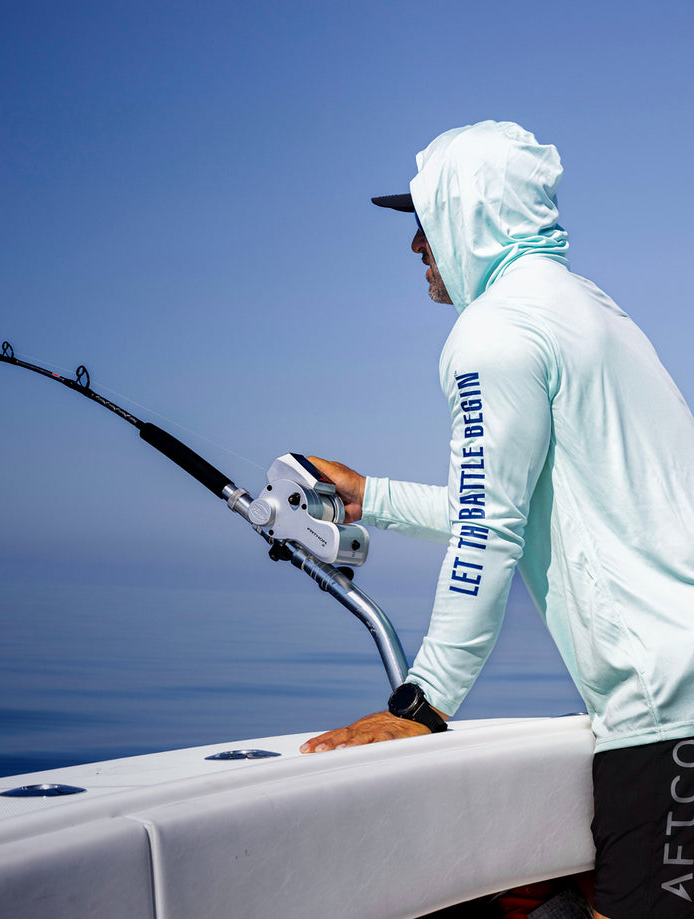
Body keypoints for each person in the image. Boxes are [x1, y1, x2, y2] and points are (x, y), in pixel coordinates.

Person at [297, 121, 694, 919]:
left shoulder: (492, 333)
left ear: (469, 213)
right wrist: (370, 495)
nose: (415, 245)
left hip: (667, 714)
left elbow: (488, 531)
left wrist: (422, 702)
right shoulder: (592, 313)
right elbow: (513, 501)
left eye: (424, 218)